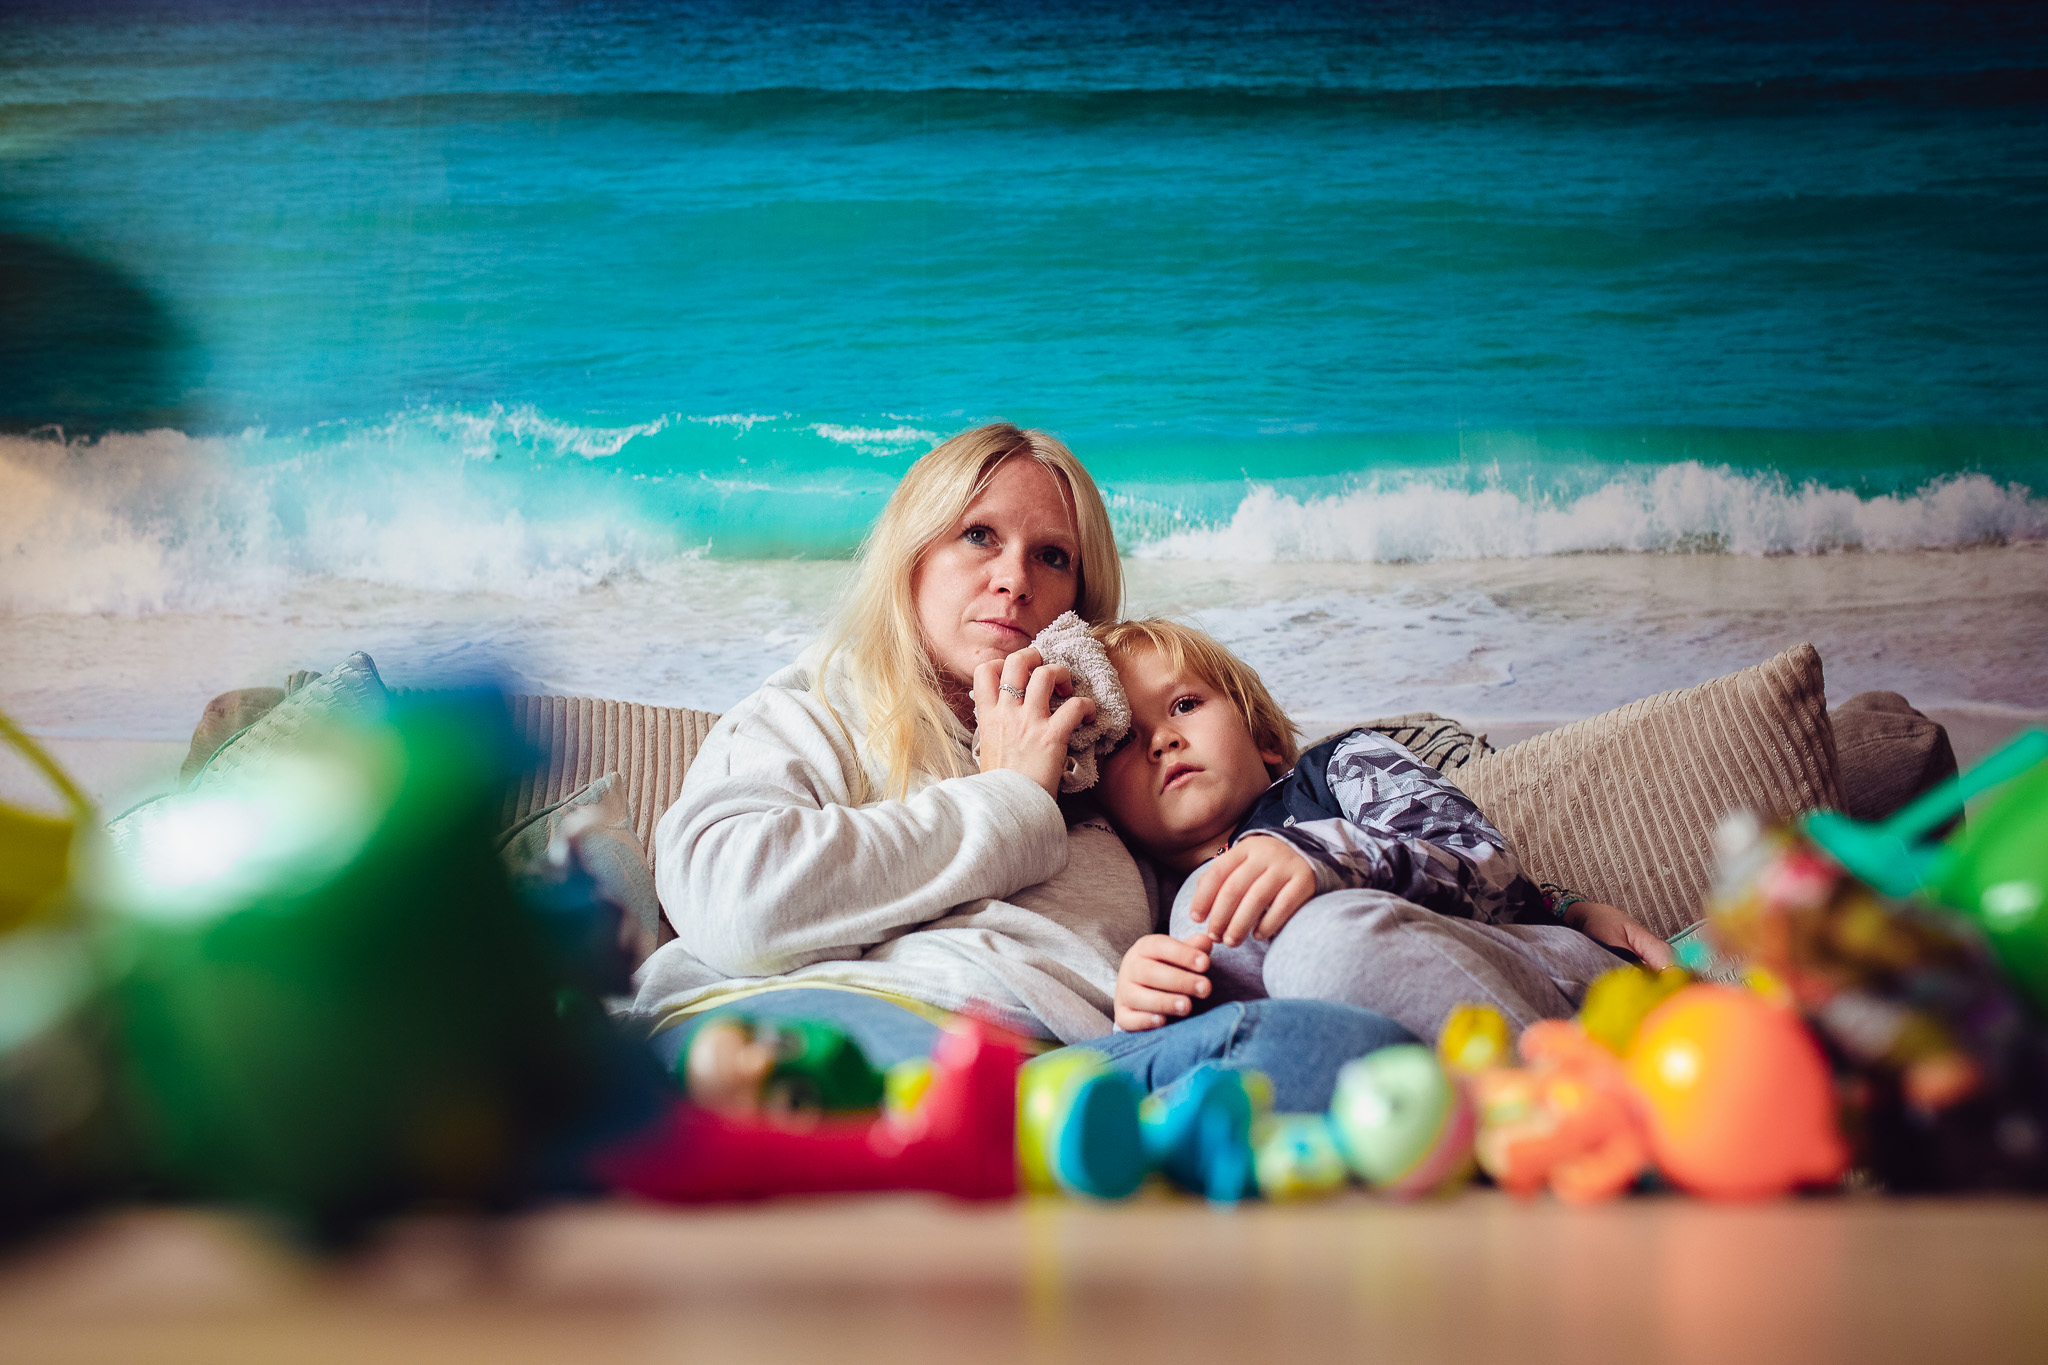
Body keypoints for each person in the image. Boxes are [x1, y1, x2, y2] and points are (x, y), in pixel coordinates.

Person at [632, 423, 1412, 1110]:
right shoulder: (817, 707)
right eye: (978, 535)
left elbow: (1225, 894)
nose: (1014, 579)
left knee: (1345, 1049)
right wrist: (1007, 800)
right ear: (913, 556)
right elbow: (731, 903)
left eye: (1051, 555)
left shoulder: (1111, 760)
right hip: (831, 1018)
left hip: (1071, 1073)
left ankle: (1013, 1143)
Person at [1092, 617, 1675, 1043]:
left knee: (1316, 948)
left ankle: (1581, 1088)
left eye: (1186, 704)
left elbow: (1488, 865)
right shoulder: (1151, 900)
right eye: (1124, 739)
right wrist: (1145, 1005)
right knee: (1208, 917)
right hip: (1394, 1070)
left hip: (1533, 973)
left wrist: (1322, 856)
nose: (1162, 740)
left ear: (1264, 741)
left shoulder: (1339, 769)